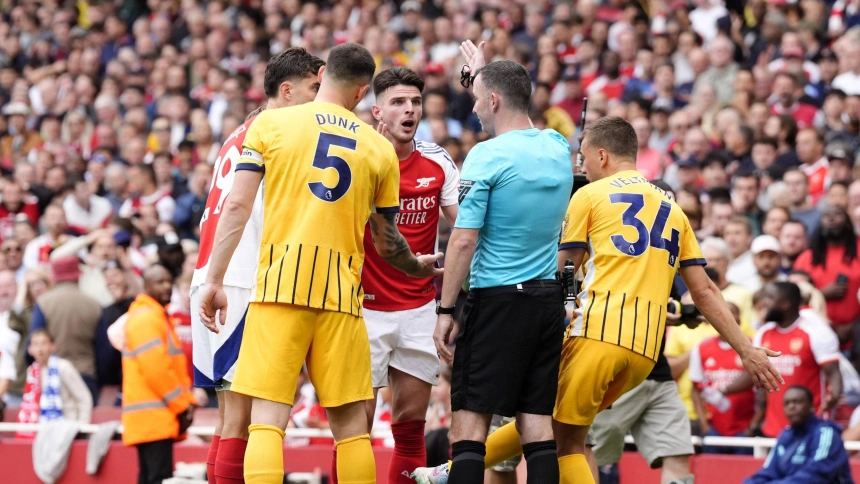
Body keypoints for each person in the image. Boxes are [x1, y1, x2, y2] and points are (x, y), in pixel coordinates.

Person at [198, 42, 441, 484]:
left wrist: (214, 279)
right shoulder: (379, 149)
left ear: (325, 72)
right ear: (364, 91)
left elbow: (236, 207)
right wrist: (418, 268)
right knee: (351, 430)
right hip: (343, 297)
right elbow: (389, 244)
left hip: (280, 289)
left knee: (268, 419)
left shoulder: (270, 123)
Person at [553, 116, 780, 483]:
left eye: (582, 156)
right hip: (644, 354)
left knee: (567, 444)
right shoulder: (673, 209)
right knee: (551, 425)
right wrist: (746, 348)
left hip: (597, 336)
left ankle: (457, 468)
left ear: (601, 155)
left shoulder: (590, 195)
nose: (582, 165)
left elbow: (561, 271)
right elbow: (704, 290)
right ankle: (452, 469)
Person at [429, 45, 573, 480]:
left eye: (476, 99)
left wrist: (446, 309)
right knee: (535, 421)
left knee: (469, 423)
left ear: (492, 101)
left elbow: (463, 241)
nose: (472, 108)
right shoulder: (558, 145)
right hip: (546, 302)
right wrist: (479, 74)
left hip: (497, 301)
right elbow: (503, 95)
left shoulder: (487, 156)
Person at [190, 47, 325, 484]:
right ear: (287, 91)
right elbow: (241, 209)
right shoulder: (276, 130)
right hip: (239, 280)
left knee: (230, 417)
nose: (318, 99)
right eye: (314, 89)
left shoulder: (238, 133)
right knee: (243, 421)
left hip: (213, 273)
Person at [339, 66, 459, 484]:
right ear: (377, 112)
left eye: (415, 102)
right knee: (355, 431)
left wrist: (454, 305)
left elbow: (463, 232)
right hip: (363, 308)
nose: (410, 110)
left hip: (419, 307)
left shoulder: (438, 162)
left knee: (410, 428)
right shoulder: (357, 158)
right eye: (398, 102)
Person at [122, 264, 196, 484]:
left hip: (153, 417)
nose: (166, 286)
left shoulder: (152, 316)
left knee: (150, 478)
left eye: (168, 281)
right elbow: (157, 371)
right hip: (154, 416)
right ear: (145, 286)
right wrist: (182, 405)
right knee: (158, 478)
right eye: (159, 282)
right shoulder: (147, 318)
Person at [750, 282, 842, 438]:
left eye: (769, 299)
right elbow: (759, 378)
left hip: (811, 428)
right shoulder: (763, 333)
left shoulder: (816, 331)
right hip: (773, 428)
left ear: (785, 303)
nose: (763, 304)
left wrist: (834, 397)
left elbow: (834, 373)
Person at [744, 386, 853, 484]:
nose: (791, 407)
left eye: (797, 402)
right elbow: (769, 471)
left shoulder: (826, 433)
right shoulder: (785, 435)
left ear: (811, 405)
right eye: (787, 403)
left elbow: (815, 475)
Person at [29, 256, 102, 402]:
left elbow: (33, 342)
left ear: (55, 278)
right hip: (85, 373)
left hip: (51, 375)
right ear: (78, 277)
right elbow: (103, 351)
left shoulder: (44, 303)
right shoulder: (94, 305)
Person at [688, 303, 756, 455]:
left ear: (740, 318)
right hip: (714, 429)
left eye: (733, 312)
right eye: (722, 313)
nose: (727, 317)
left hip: (744, 430)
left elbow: (763, 387)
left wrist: (753, 426)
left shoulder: (753, 346)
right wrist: (704, 425)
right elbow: (695, 390)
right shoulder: (701, 349)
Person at [793, 205, 860, 346]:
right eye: (826, 215)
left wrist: (854, 326)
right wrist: (821, 294)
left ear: (848, 221)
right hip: (816, 337)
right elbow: (794, 299)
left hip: (855, 336)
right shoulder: (806, 258)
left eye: (837, 214)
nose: (831, 218)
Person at [19, 328, 93, 425]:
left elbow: (84, 398)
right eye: (36, 344)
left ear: (53, 346)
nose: (40, 348)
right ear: (30, 350)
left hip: (68, 425)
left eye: (44, 343)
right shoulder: (31, 372)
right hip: (41, 426)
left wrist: (82, 427)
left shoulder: (64, 367)